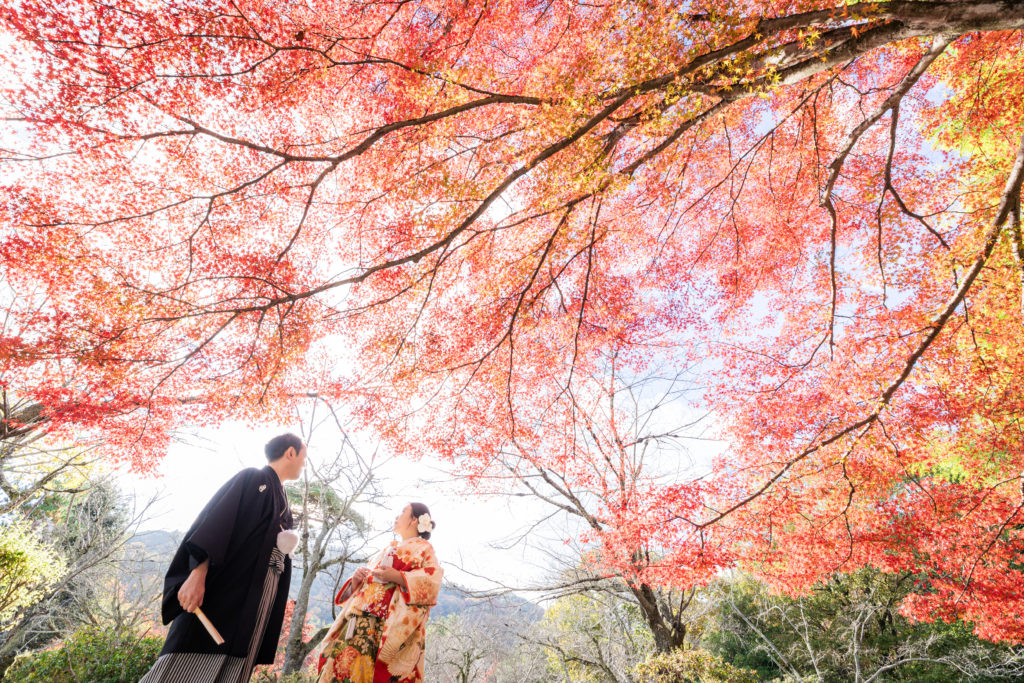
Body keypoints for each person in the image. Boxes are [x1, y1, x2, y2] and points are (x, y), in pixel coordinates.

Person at [140, 433, 307, 683]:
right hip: (225, 594)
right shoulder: (253, 478)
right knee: (185, 666)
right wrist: (197, 573)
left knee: (235, 667)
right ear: (290, 452)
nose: (304, 464)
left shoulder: (282, 500)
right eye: (304, 457)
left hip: (255, 601)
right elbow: (216, 524)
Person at [317, 502, 443, 683]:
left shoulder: (424, 549)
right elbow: (367, 584)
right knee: (341, 669)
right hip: (356, 621)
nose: (397, 516)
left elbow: (431, 581)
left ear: (414, 520)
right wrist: (356, 582)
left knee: (366, 673)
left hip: (382, 627)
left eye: (403, 511)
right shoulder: (386, 548)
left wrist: (398, 576)